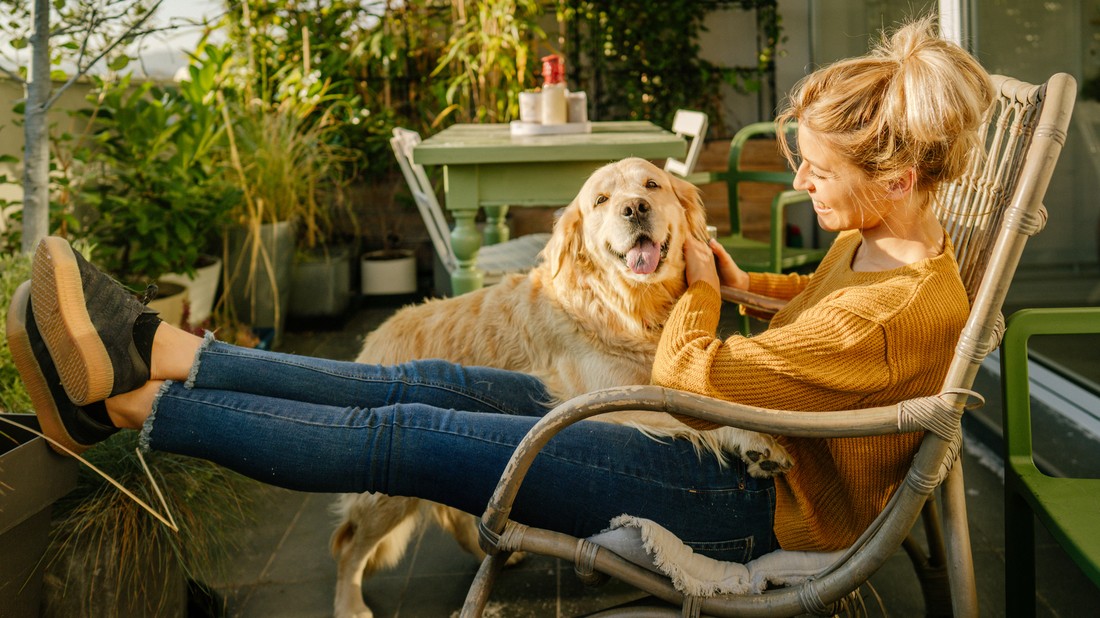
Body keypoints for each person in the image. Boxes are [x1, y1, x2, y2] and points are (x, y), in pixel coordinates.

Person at [8, 16, 991, 561]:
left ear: (897, 174)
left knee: (409, 441)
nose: (802, 183)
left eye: (818, 170)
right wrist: (749, 282)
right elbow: (822, 313)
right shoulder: (890, 246)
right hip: (695, 445)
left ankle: (132, 404)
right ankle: (164, 347)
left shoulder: (899, 302)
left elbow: (700, 380)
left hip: (726, 494)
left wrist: (696, 285)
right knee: (413, 385)